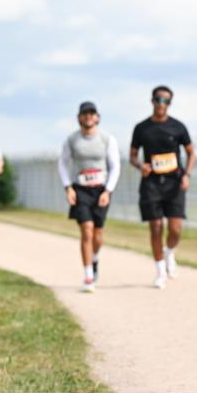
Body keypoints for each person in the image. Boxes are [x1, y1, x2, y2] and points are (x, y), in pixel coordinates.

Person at [130, 85, 195, 288]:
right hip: (151, 183)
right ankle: (160, 272)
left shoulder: (178, 127)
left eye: (166, 100)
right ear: (152, 101)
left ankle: (169, 252)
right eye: (158, 99)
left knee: (175, 229)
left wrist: (187, 174)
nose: (161, 104)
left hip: (174, 182)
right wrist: (141, 165)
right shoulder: (141, 128)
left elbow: (191, 153)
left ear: (169, 104)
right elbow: (132, 156)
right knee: (156, 227)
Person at [59, 101, 121, 292]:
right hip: (81, 189)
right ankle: (88, 276)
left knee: (98, 234)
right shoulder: (72, 140)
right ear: (79, 118)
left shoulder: (106, 139)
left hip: (100, 189)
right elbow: (63, 163)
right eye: (84, 114)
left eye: (91, 113)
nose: (88, 117)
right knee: (86, 229)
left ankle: (94, 259)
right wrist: (68, 188)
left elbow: (115, 166)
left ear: (97, 117)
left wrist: (108, 191)